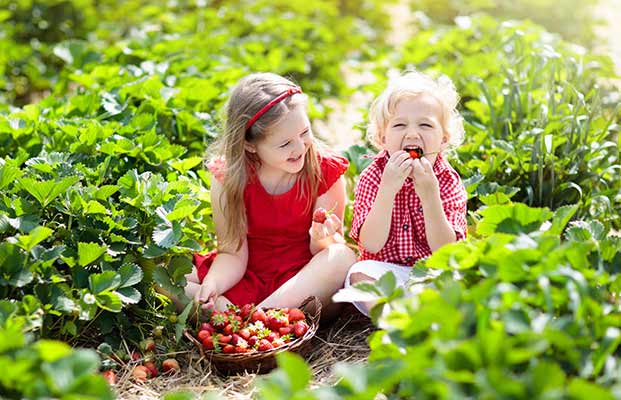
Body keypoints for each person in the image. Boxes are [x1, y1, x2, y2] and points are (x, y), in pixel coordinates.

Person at [186, 72, 357, 316]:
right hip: (249, 272)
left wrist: (321, 237)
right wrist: (212, 285)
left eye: (304, 133)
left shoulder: (325, 170)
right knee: (170, 276)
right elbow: (232, 254)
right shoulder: (229, 178)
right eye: (285, 144)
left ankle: (249, 320)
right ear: (249, 145)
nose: (300, 148)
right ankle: (262, 321)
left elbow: (324, 252)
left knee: (341, 257)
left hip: (301, 280)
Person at [339, 70, 467, 316]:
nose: (412, 134)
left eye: (425, 125)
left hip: (432, 273)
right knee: (359, 274)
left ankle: (425, 315)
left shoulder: (447, 180)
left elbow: (446, 251)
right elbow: (372, 245)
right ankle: (395, 319)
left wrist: (430, 196)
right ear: (382, 138)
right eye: (399, 125)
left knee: (458, 279)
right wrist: (387, 190)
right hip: (387, 274)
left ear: (444, 139)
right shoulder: (373, 177)